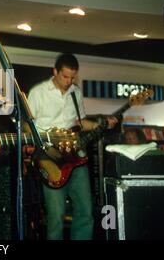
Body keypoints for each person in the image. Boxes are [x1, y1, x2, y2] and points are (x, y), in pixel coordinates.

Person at [27, 53, 117, 240]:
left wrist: (101, 123)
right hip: (50, 158)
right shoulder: (38, 92)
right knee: (56, 216)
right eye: (65, 76)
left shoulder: (76, 92)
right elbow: (27, 125)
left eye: (72, 77)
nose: (68, 81)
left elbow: (80, 121)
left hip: (77, 158)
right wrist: (43, 142)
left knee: (85, 211)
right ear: (55, 71)